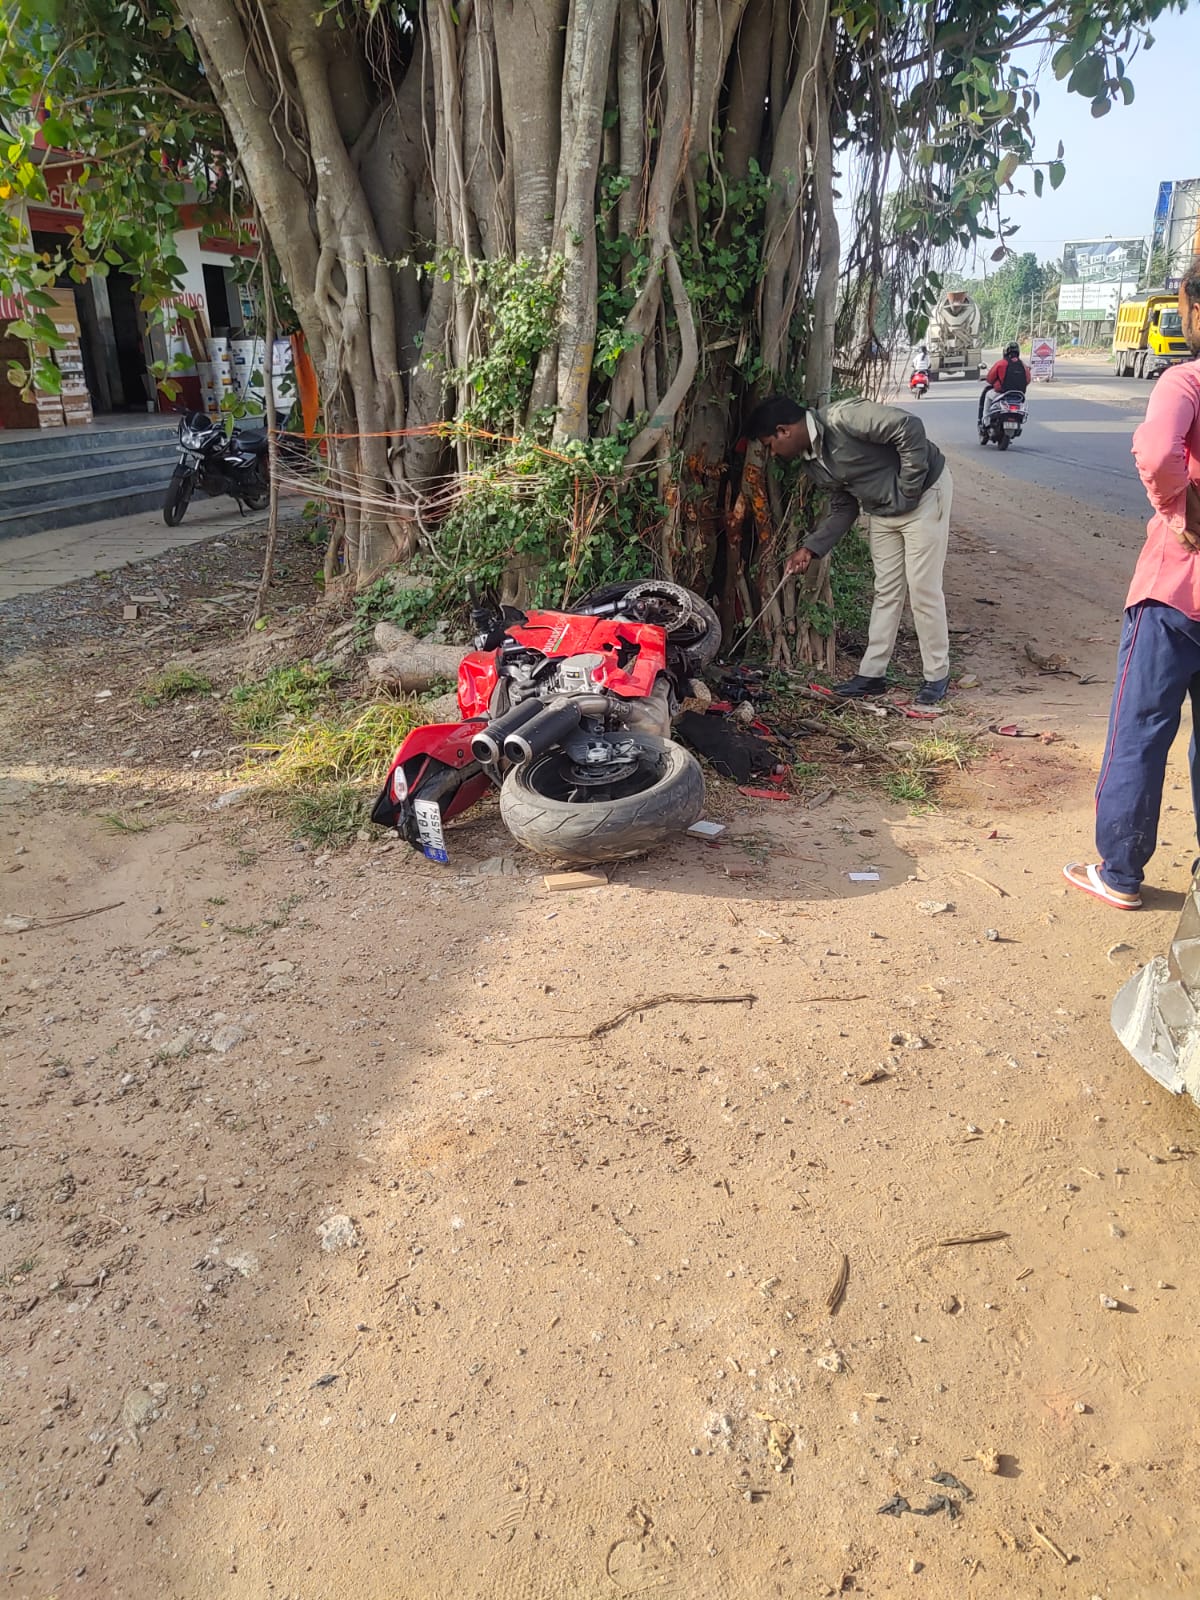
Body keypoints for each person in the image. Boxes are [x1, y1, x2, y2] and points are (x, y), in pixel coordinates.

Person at [1064, 256, 1200, 909]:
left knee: (1140, 725)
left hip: (1174, 592)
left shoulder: (1186, 380)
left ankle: (1119, 870)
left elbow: (1155, 452)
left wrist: (1181, 509)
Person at [745, 393, 954, 705]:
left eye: (769, 444)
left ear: (783, 430)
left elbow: (908, 427)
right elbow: (844, 508)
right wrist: (810, 549)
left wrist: (908, 489)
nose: (772, 453)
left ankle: (936, 675)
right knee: (886, 590)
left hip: (924, 495)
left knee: (923, 588)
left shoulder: (843, 418)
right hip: (884, 509)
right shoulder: (812, 464)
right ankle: (872, 675)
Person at [978, 341, 1030, 425]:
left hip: (1002, 394)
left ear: (1005, 352)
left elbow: (990, 379)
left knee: (987, 395)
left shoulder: (1001, 363)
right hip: (1018, 396)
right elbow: (1028, 380)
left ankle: (985, 421)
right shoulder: (1023, 365)